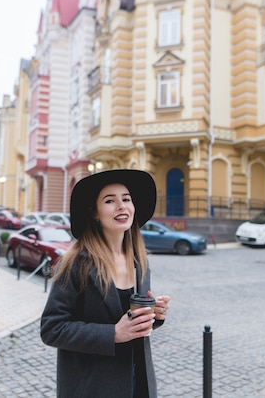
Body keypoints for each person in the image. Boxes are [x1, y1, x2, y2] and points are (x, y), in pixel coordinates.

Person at [40, 169, 171, 398]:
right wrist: (112, 334)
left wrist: (153, 315)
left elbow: (130, 322)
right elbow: (52, 328)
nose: (122, 206)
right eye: (110, 200)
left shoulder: (139, 261)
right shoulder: (77, 263)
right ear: (95, 213)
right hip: (92, 387)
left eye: (126, 199)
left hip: (137, 382)